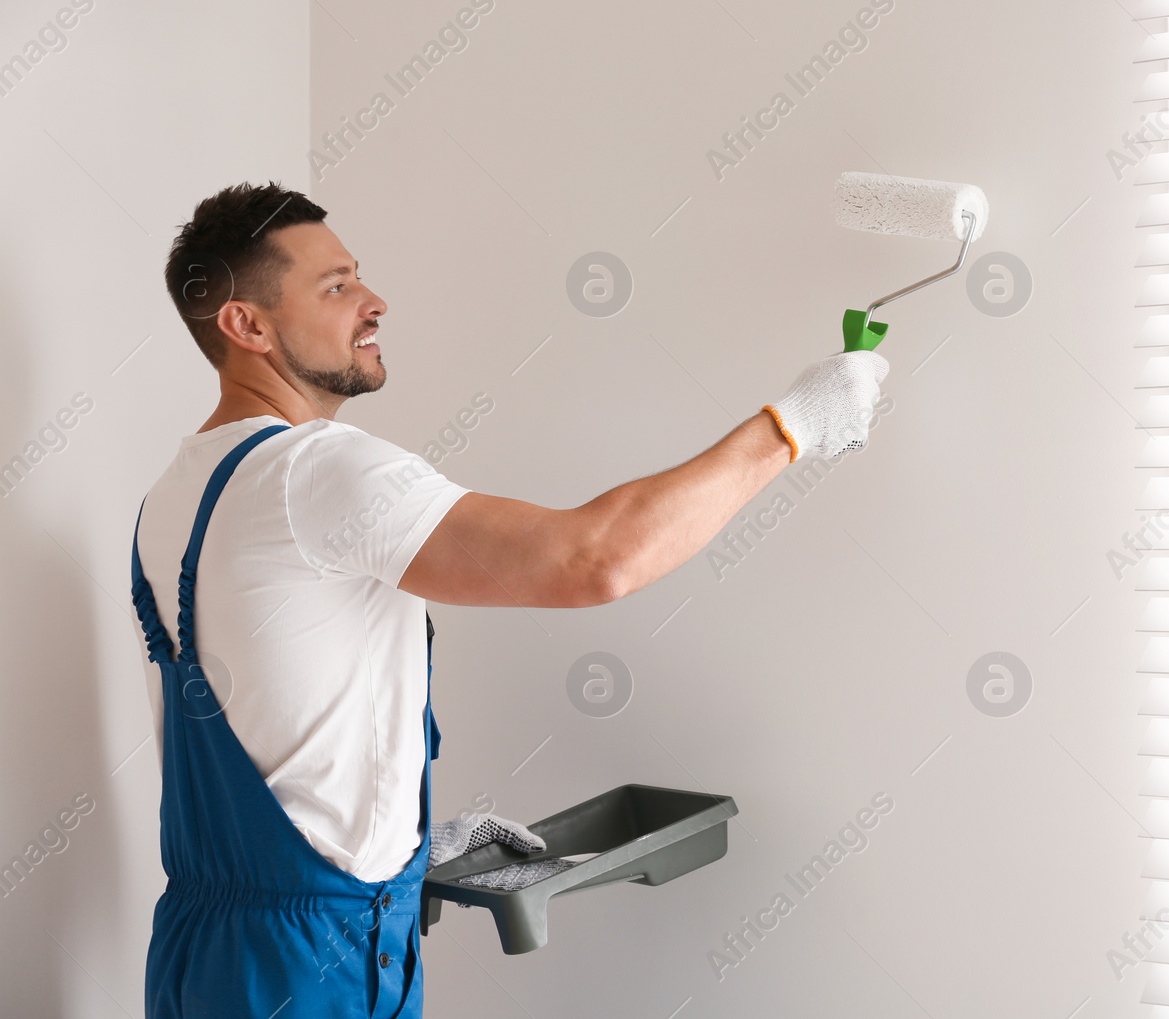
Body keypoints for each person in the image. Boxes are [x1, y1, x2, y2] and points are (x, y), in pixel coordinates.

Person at [130, 180, 889, 1017]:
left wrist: (404, 849)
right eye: (336, 286)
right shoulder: (319, 469)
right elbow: (592, 559)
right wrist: (795, 425)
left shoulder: (178, 492)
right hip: (313, 965)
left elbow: (276, 716)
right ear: (248, 325)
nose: (374, 303)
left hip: (206, 953)